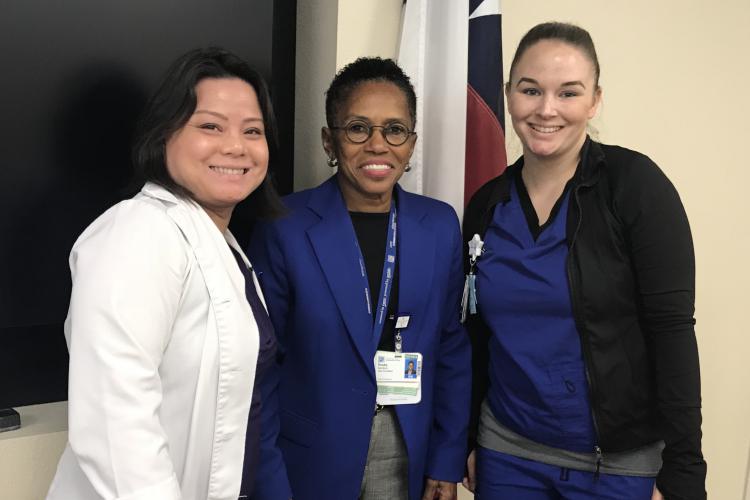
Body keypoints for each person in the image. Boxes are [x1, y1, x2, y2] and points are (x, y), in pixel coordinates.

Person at [461, 22, 706, 500]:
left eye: (568, 93)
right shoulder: (488, 204)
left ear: (594, 101)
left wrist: (683, 474)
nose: (546, 109)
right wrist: (468, 436)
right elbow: (475, 335)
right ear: (509, 94)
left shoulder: (635, 186)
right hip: (508, 454)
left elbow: (672, 330)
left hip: (618, 466)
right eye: (531, 90)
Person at [46, 47, 284, 500]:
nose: (236, 146)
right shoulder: (139, 233)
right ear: (164, 135)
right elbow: (117, 424)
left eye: (252, 131)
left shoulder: (224, 245)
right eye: (210, 126)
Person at [248, 57, 471, 500]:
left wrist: (446, 459)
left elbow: (450, 348)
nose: (377, 145)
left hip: (406, 449)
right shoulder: (284, 227)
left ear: (410, 143)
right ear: (330, 141)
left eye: (394, 129)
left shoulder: (440, 225)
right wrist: (266, 479)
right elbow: (258, 370)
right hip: (309, 458)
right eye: (357, 128)